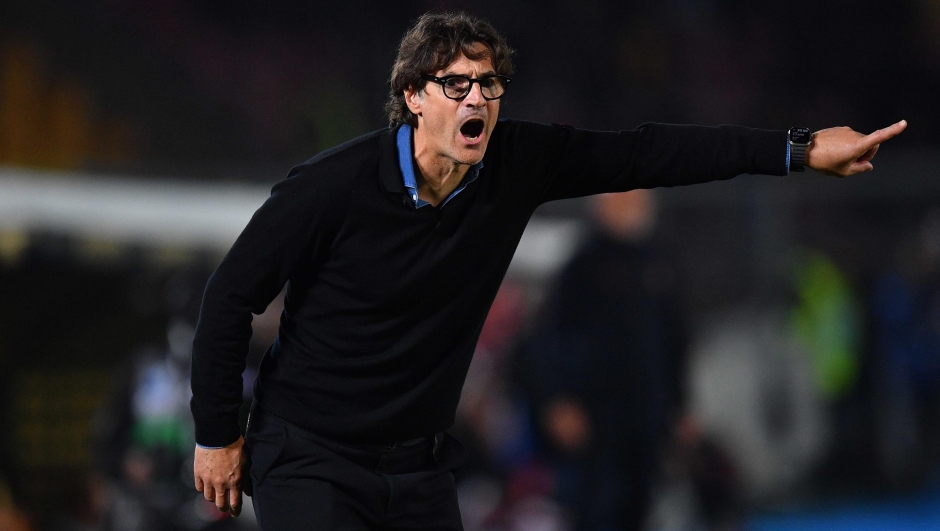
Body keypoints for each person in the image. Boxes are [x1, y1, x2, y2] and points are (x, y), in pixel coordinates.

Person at [190, 11, 906, 530]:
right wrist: (218, 433)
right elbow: (228, 298)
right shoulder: (330, 186)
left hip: (417, 468)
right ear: (412, 97)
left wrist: (799, 148)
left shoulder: (516, 164)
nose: (479, 99)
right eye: (457, 84)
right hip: (311, 454)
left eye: (490, 85)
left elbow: (649, 153)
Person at [518, 189, 688, 531]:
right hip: (595, 419)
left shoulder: (659, 263)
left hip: (647, 418)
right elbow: (546, 342)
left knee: (645, 508)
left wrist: (682, 405)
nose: (632, 207)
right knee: (598, 509)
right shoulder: (581, 267)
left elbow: (676, 342)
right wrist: (555, 400)